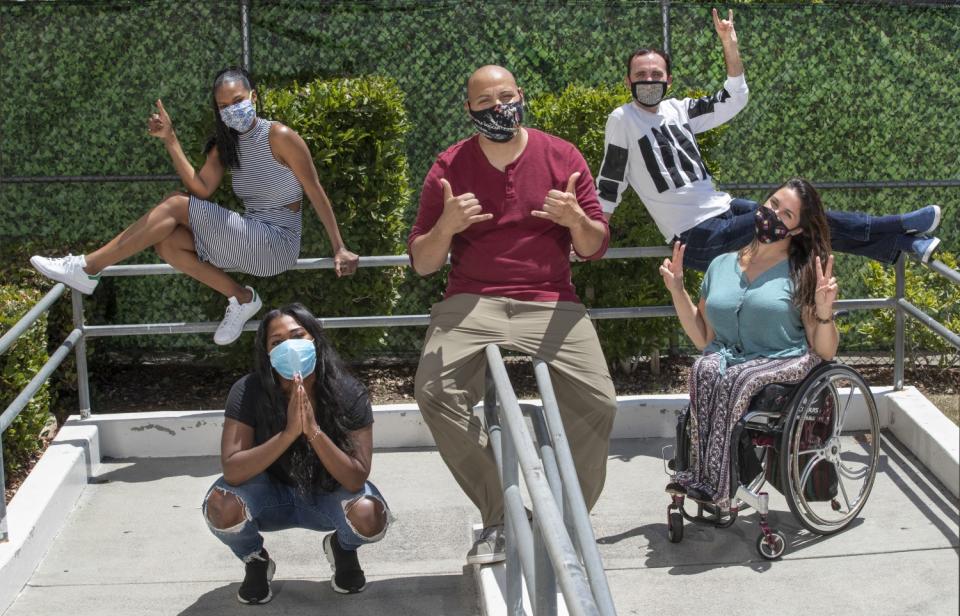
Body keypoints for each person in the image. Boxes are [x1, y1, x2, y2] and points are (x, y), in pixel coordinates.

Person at [408, 65, 618, 565]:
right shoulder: (449, 165)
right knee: (432, 391)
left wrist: (575, 220)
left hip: (550, 300)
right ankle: (503, 514)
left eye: (506, 96)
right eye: (485, 101)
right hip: (471, 299)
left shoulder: (561, 156)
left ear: (521, 96)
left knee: (601, 403)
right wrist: (447, 225)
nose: (498, 106)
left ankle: (567, 520)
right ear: (469, 110)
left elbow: (594, 248)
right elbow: (422, 262)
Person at [30, 67, 359, 345]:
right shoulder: (225, 147)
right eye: (224, 105)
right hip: (248, 238)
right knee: (168, 242)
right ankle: (242, 297)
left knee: (174, 205)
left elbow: (315, 191)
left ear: (254, 97)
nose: (233, 109)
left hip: (277, 243)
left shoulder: (281, 135)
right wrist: (171, 140)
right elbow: (201, 189)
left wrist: (339, 247)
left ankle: (87, 267)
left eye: (239, 101)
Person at [596, 9, 942, 272]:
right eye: (641, 75)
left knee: (807, 220)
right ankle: (897, 227)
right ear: (628, 80)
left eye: (656, 74)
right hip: (697, 238)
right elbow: (610, 182)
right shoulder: (622, 119)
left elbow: (734, 97)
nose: (649, 79)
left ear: (668, 78)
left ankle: (901, 244)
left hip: (725, 210)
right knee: (795, 216)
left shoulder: (679, 110)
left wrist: (729, 44)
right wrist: (594, 232)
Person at [660, 177, 839, 507]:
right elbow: (703, 336)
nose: (772, 215)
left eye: (786, 215)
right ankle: (700, 473)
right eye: (772, 204)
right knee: (704, 367)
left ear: (797, 230)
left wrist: (825, 312)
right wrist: (678, 290)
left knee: (735, 380)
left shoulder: (802, 272)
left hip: (785, 359)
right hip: (732, 357)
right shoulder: (722, 265)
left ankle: (717, 485)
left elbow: (825, 350)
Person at [201, 303, 389, 604]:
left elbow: (355, 478)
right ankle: (255, 560)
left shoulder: (348, 392)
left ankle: (343, 549)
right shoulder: (247, 390)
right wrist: (288, 433)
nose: (289, 346)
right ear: (267, 354)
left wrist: (313, 431)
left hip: (326, 495)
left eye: (298, 335)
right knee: (222, 507)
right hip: (268, 497)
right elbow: (233, 470)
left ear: (315, 339)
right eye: (276, 342)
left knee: (369, 516)